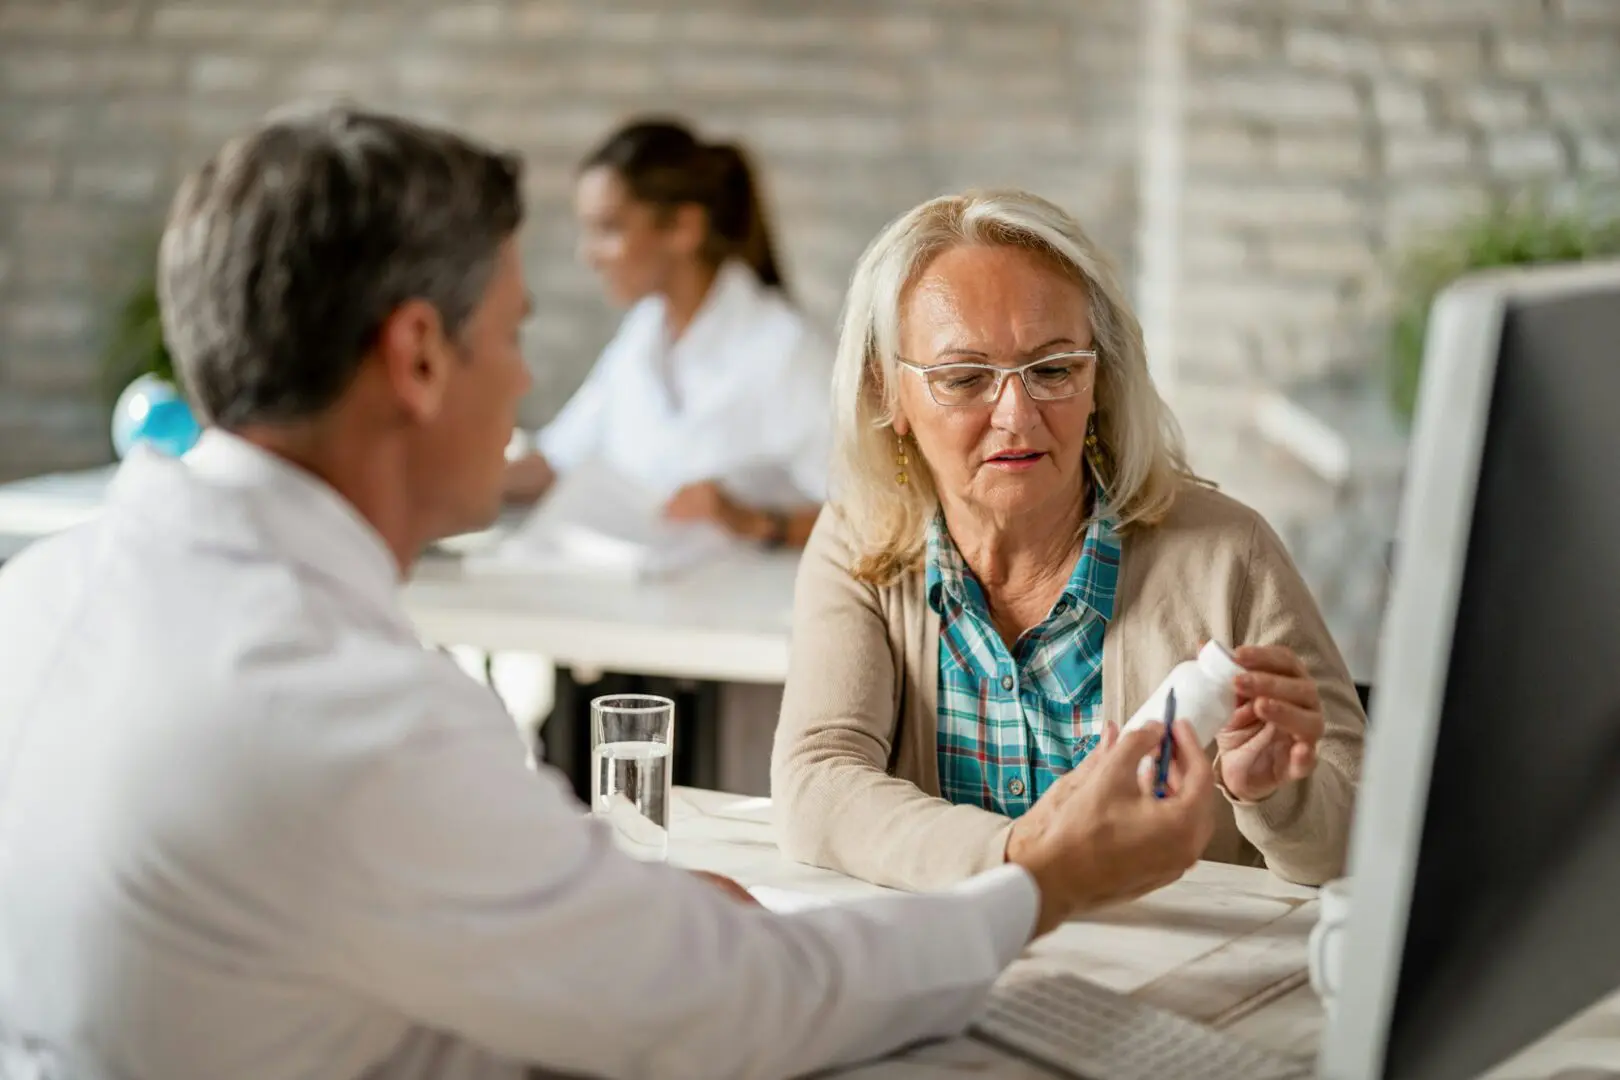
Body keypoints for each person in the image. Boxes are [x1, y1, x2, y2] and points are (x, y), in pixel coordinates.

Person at [0, 107, 1220, 1080]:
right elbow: (748, 1009)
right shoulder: (348, 718)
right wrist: (1049, 878)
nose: (526, 375)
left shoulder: (40, 597)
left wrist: (591, 907)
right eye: (515, 333)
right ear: (420, 356)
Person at [772, 189, 1366, 894]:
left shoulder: (1229, 554)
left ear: (1099, 380)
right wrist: (1029, 853)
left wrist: (1276, 796)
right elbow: (818, 784)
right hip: (956, 968)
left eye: (1053, 370)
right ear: (888, 394)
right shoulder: (859, 542)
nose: (1017, 417)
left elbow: (1364, 846)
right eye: (964, 379)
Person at [504, 118, 828, 550]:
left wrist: (755, 521)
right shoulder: (643, 334)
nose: (588, 255)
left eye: (609, 229)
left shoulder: (783, 349)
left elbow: (883, 513)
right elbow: (558, 460)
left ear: (683, 228)